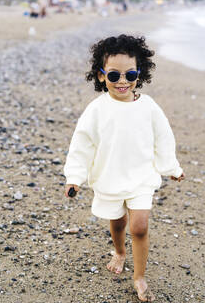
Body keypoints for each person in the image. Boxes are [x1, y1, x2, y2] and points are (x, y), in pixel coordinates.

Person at [63, 34, 185, 302]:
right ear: (100, 75)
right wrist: (74, 177)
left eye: (130, 74)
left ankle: (139, 277)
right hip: (109, 175)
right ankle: (119, 251)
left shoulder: (149, 107)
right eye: (114, 75)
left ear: (139, 75)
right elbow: (81, 144)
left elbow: (163, 138)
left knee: (138, 227)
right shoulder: (96, 110)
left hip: (142, 176)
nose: (122, 82)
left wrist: (171, 167)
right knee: (117, 223)